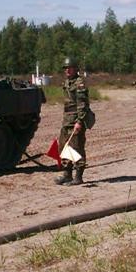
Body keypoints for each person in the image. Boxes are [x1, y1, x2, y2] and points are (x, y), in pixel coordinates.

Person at [55, 56, 89, 186]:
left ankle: (78, 177)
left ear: (75, 69)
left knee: (77, 147)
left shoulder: (79, 83)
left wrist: (80, 121)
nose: (67, 70)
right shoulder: (67, 82)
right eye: (66, 68)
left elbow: (82, 104)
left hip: (75, 120)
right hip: (67, 120)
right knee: (64, 147)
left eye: (70, 68)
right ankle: (67, 174)